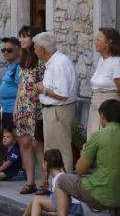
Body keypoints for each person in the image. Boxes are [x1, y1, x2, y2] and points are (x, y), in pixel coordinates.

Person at [44, 99, 120, 216]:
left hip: (99, 194)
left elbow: (79, 170)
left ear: (103, 117)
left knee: (61, 180)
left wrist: (85, 151)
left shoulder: (99, 136)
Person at [34, 32, 77, 175]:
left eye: (35, 48)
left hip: (58, 110)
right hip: (54, 110)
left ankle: (63, 185)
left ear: (42, 50)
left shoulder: (58, 64)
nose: (34, 51)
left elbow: (63, 95)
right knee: (53, 148)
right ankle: (56, 185)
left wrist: (43, 90)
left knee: (60, 150)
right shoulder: (55, 62)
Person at [9, 149, 82, 216]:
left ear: (46, 164)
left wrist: (57, 213)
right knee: (36, 198)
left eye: (43, 162)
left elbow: (67, 199)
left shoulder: (58, 179)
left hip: (73, 207)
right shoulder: (58, 176)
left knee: (37, 201)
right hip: (72, 206)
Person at [14, 26, 46, 195]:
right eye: (20, 37)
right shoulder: (24, 58)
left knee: (38, 144)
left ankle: (45, 183)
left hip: (36, 107)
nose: (21, 40)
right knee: (25, 143)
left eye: (24, 37)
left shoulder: (41, 59)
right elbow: (21, 85)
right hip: (24, 106)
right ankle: (30, 182)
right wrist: (15, 106)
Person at [87, 27, 120, 137]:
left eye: (99, 39)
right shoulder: (101, 60)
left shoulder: (116, 62)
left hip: (109, 110)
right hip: (96, 106)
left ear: (109, 42)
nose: (95, 42)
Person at [0, 37, 21, 129]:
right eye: (3, 50)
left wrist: (16, 108)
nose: (5, 53)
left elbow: (21, 88)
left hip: (13, 110)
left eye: (9, 50)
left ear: (18, 50)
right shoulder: (11, 66)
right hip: (6, 109)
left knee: (16, 139)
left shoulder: (19, 67)